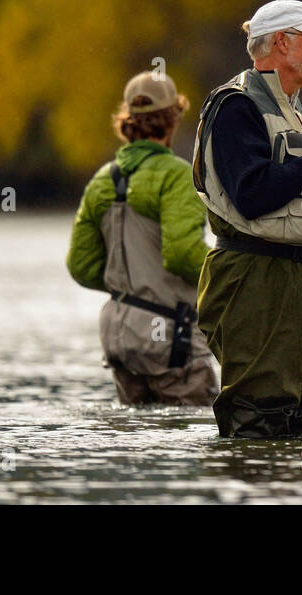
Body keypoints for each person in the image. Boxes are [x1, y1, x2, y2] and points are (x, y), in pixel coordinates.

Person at [192, 0, 302, 438]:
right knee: (259, 412)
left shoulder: (292, 108)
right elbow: (251, 196)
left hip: (300, 278)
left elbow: (292, 190)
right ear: (282, 43)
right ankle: (250, 477)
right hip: (253, 278)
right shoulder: (236, 107)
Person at [66, 71, 218, 406]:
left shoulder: (101, 180)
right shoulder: (177, 176)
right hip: (168, 333)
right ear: (173, 118)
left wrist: (133, 287)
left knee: (135, 433)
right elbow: (182, 254)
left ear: (127, 121)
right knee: (196, 428)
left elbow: (80, 266)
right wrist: (228, 275)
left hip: (117, 332)